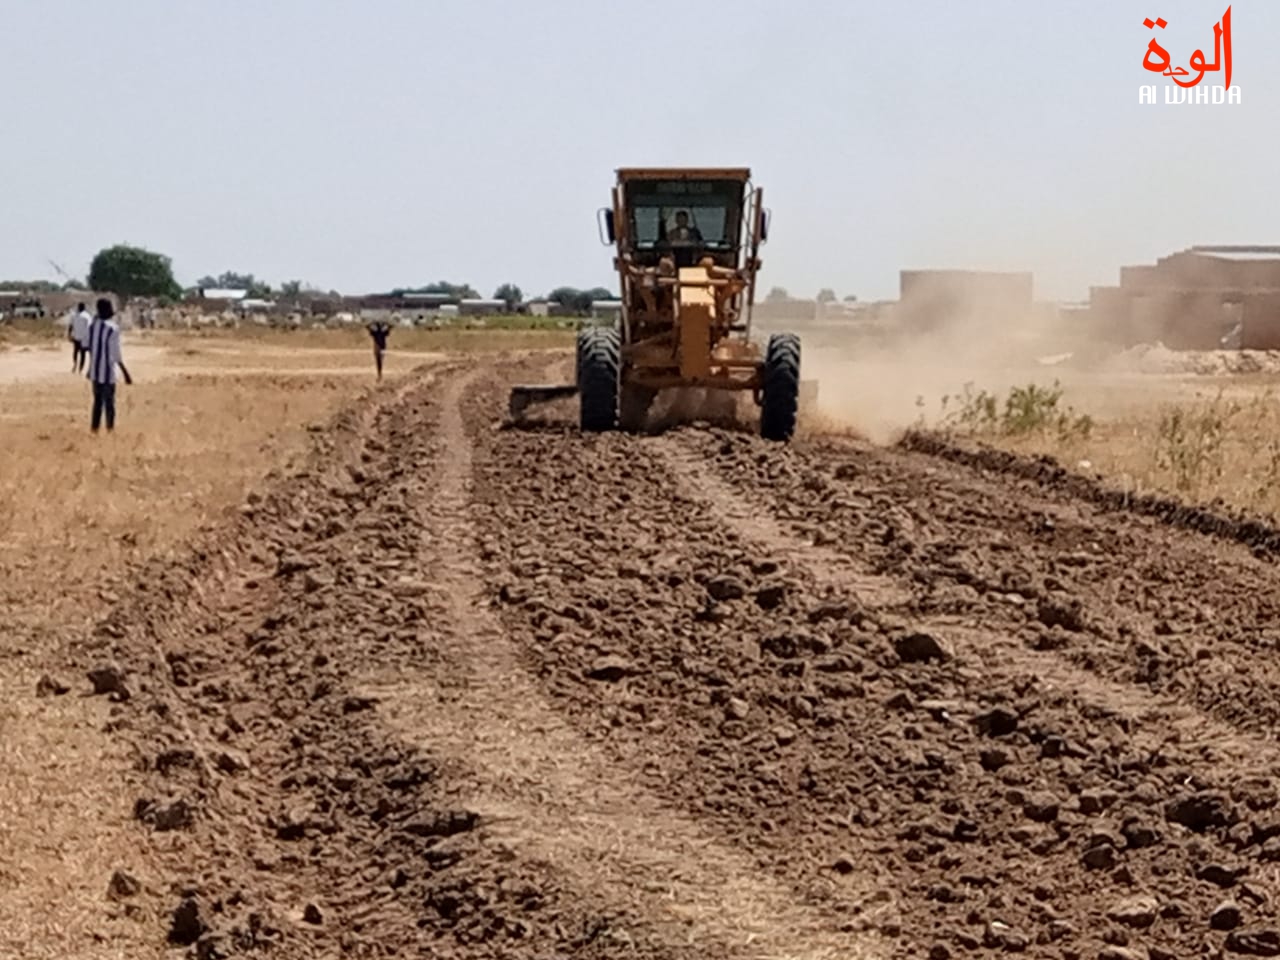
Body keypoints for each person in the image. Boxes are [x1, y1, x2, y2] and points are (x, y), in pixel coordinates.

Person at [85, 298, 132, 432]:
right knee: (109, 403)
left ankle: (94, 429)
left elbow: (88, 347)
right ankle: (110, 429)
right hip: (107, 372)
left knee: (97, 402)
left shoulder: (92, 327)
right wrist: (125, 373)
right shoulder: (113, 329)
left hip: (95, 371)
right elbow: (116, 353)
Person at [69, 302, 91, 372]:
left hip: (76, 336)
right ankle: (80, 369)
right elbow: (90, 327)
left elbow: (71, 326)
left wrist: (69, 334)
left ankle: (75, 364)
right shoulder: (87, 316)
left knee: (75, 351)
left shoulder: (74, 315)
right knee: (82, 353)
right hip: (84, 337)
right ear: (84, 308)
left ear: (78, 307)